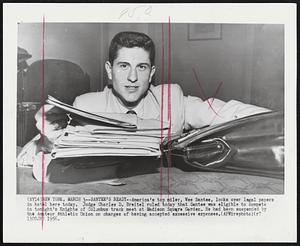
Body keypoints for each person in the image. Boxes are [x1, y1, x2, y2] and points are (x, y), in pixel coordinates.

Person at [17, 31, 270, 183]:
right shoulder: (85, 106)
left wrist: (282, 121)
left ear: (152, 74)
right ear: (109, 70)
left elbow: (226, 111)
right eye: (123, 66)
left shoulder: (172, 99)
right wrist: (46, 139)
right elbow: (26, 158)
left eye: (141, 67)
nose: (132, 78)